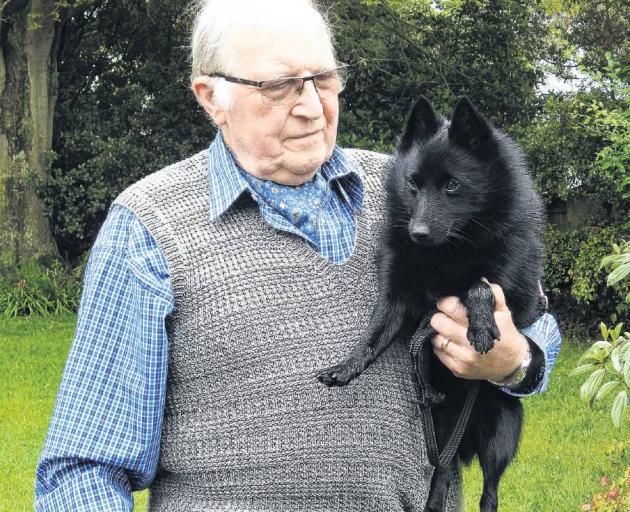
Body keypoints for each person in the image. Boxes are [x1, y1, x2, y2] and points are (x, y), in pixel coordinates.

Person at [35, 0, 562, 510]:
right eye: (278, 85)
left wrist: (514, 362)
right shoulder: (148, 226)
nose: (311, 105)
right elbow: (84, 466)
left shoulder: (409, 189)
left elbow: (536, 317)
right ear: (210, 96)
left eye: (323, 79)